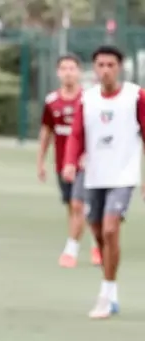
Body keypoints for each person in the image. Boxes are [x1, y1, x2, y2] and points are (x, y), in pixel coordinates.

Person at [63, 44, 145, 319]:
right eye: (100, 65)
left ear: (119, 67)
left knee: (110, 230)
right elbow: (76, 135)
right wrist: (70, 162)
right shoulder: (87, 99)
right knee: (98, 233)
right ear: (94, 68)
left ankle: (106, 294)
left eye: (111, 65)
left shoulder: (135, 96)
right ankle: (113, 292)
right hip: (94, 176)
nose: (105, 70)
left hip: (123, 176)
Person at [37, 54, 94, 269]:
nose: (68, 72)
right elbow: (46, 132)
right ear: (58, 72)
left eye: (72, 68)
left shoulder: (88, 99)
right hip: (62, 164)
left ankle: (72, 250)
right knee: (72, 206)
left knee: (79, 204)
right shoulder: (52, 102)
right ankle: (92, 241)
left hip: (84, 164)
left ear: (79, 71)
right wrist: (40, 162)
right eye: (64, 68)